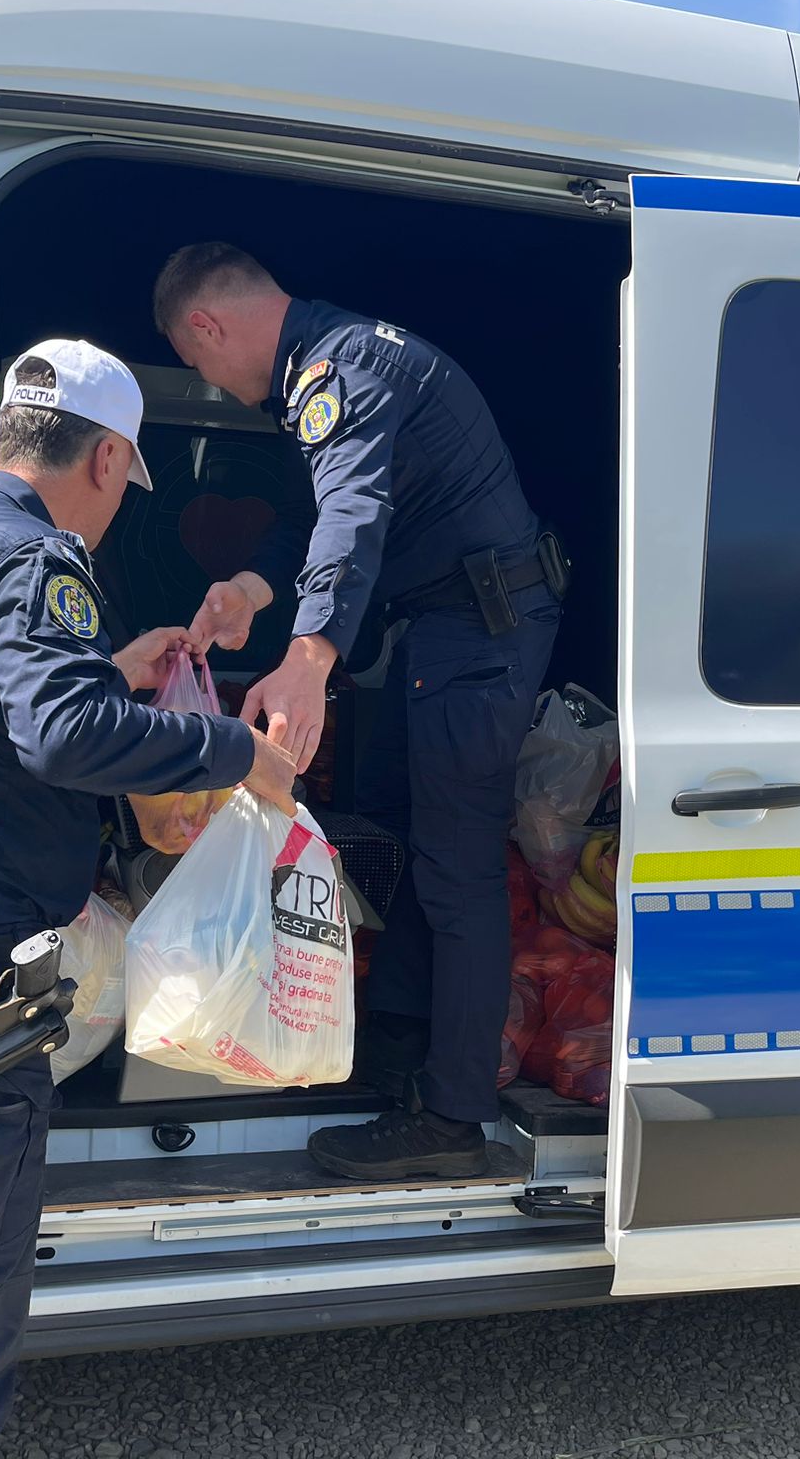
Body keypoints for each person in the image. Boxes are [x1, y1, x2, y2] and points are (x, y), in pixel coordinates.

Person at [0, 338, 297, 1459]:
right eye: (124, 484)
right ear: (108, 458)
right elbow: (62, 736)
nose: (116, 508)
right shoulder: (40, 559)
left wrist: (110, 670)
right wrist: (238, 752)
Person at [154, 243, 561, 1182]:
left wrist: (308, 659)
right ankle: (400, 1054)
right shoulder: (329, 363)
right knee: (417, 840)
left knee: (457, 866)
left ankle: (452, 1120)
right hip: (449, 629)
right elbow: (317, 518)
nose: (209, 382)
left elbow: (352, 514)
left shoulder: (345, 368)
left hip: (483, 629)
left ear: (207, 326)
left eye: (195, 360)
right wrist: (252, 590)